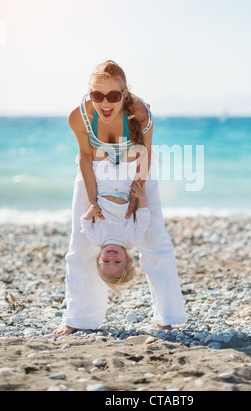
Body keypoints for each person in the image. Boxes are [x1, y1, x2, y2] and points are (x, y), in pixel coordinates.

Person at [54, 60, 187, 336]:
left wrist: (137, 196)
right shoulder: (78, 117)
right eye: (96, 95)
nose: (105, 103)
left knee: (155, 242)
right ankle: (79, 318)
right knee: (80, 246)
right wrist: (93, 201)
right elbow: (86, 158)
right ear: (88, 93)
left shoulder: (140, 114)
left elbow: (145, 154)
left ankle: (167, 316)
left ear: (124, 94)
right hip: (94, 171)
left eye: (113, 96)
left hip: (137, 169)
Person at [80, 166, 150, 291]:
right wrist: (142, 198)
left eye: (106, 261)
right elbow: (143, 221)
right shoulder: (132, 240)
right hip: (124, 188)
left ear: (98, 258)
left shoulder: (97, 239)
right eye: (117, 262)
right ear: (127, 259)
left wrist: (89, 214)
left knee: (104, 157)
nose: (111, 258)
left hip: (102, 187)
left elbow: (85, 224)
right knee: (124, 157)